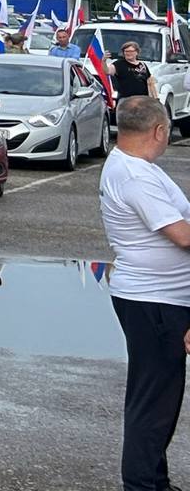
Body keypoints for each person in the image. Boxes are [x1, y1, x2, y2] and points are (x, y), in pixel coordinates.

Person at [99, 96, 190, 491]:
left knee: (159, 400)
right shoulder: (134, 176)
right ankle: (142, 485)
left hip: (158, 299)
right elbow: (182, 235)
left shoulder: (136, 166)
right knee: (154, 402)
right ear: (159, 130)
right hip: (154, 301)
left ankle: (154, 481)